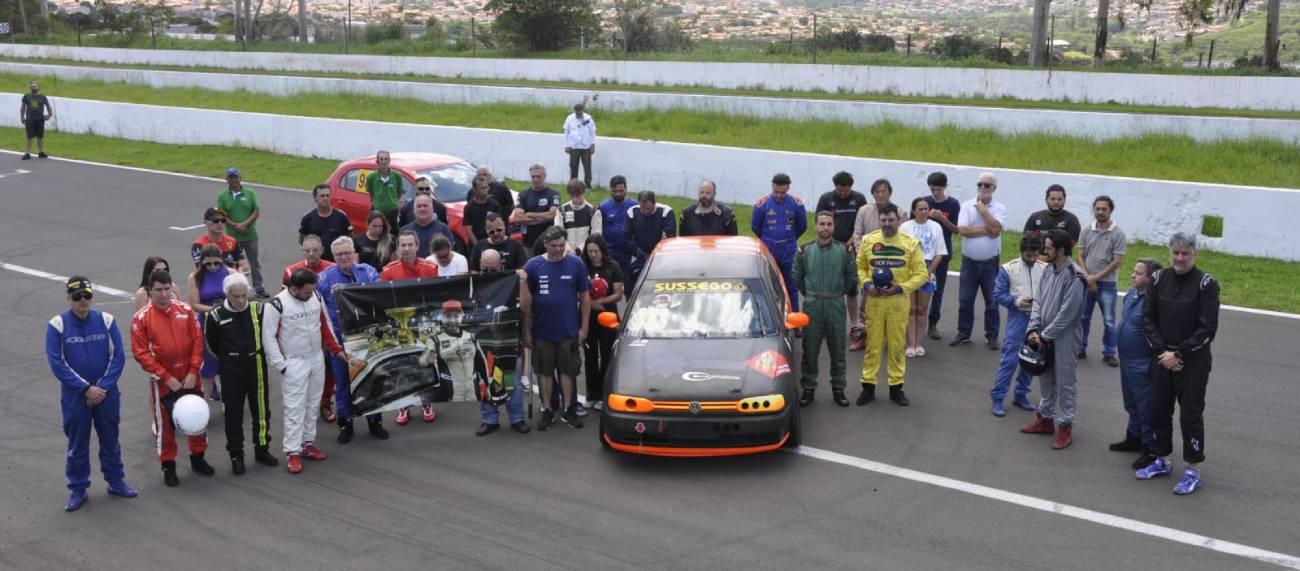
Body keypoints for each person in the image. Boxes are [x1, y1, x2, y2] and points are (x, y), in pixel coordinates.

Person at [1137, 233, 1220, 495]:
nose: (1180, 258)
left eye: (1185, 253)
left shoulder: (1206, 284)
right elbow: (1148, 318)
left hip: (1193, 362)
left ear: (1195, 254)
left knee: (1191, 416)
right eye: (1176, 253)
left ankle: (1192, 470)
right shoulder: (1159, 279)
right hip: (1162, 358)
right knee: (1158, 411)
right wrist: (1164, 353)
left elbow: (1207, 329)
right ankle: (1162, 459)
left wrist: (1179, 354)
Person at [46, 276, 137, 512]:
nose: (82, 301)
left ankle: (115, 481)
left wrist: (101, 388)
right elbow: (57, 363)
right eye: (77, 297)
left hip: (106, 394)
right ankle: (78, 488)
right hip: (76, 397)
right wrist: (86, 389)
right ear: (68, 298)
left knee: (110, 438)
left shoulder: (106, 320)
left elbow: (118, 356)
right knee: (77, 443)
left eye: (86, 296)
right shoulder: (57, 325)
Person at [131, 270, 214, 487]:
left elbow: (198, 342)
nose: (164, 294)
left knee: (197, 417)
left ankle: (198, 458)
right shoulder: (141, 319)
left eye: (167, 289)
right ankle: (168, 465)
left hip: (189, 377)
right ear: (150, 291)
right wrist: (166, 378)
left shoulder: (186, 311)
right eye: (158, 290)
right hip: (164, 382)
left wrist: (193, 371)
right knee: (165, 425)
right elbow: (141, 354)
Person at [263, 269, 348, 475]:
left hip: (316, 358)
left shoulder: (316, 295)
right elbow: (268, 338)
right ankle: (292, 452)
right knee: (294, 408)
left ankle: (307, 444)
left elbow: (325, 325)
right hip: (294, 362)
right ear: (293, 288)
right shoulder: (276, 304)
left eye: (312, 291)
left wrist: (336, 350)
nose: (311, 295)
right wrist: (281, 365)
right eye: (307, 292)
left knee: (312, 405)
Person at [204, 273, 279, 474]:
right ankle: (236, 454)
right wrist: (229, 359)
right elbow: (211, 345)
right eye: (235, 296)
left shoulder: (259, 309)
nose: (240, 300)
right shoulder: (215, 315)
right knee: (233, 414)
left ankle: (262, 448)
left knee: (262, 411)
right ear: (227, 294)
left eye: (243, 295)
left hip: (256, 364)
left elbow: (270, 334)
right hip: (231, 368)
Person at [317, 237, 389, 444]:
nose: (344, 257)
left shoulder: (368, 272)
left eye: (347, 253)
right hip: (339, 341)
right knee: (342, 384)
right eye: (339, 254)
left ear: (354, 252)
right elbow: (318, 309)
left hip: (367, 338)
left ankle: (375, 421)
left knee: (371, 379)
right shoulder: (323, 279)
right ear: (334, 256)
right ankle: (345, 423)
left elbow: (379, 298)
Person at [855, 203, 928, 407]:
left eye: (891, 220)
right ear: (879, 220)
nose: (887, 224)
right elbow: (860, 267)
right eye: (883, 220)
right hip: (875, 302)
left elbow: (922, 274)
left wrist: (900, 288)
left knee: (896, 346)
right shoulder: (869, 241)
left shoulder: (910, 243)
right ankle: (868, 388)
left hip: (897, 302)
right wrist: (867, 284)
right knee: (873, 346)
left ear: (898, 220)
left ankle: (896, 388)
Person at [1021, 230, 1087, 450]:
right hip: (1043, 336)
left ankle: (1065, 426)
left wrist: (1044, 335)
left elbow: (1068, 315)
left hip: (1065, 339)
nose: (1044, 251)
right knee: (1046, 378)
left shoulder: (1075, 276)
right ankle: (1046, 420)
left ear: (1060, 250)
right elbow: (1038, 301)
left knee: (1065, 383)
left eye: (1048, 248)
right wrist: (1033, 328)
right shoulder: (1048, 269)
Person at [523, 227, 592, 431]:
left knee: (568, 371)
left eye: (562, 245)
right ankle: (546, 409)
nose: (558, 250)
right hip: (542, 331)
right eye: (554, 246)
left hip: (568, 330)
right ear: (546, 245)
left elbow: (585, 297)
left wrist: (584, 327)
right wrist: (527, 331)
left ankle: (569, 408)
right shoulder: (533, 266)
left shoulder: (576, 264)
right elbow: (527, 304)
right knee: (544, 372)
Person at [795, 212, 857, 408]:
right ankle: (808, 389)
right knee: (810, 349)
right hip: (812, 304)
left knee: (837, 349)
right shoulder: (805, 251)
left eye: (829, 224)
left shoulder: (844, 250)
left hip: (835, 304)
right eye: (822, 224)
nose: (825, 227)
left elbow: (851, 277)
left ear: (833, 227)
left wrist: (837, 293)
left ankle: (839, 389)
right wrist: (811, 294)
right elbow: (797, 277)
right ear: (815, 226)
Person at [381, 231, 440, 425]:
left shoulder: (431, 268)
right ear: (398, 248)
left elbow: (434, 299)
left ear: (417, 246)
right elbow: (384, 301)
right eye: (402, 245)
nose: (406, 249)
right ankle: (403, 406)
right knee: (403, 366)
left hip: (423, 324)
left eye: (409, 245)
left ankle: (426, 403)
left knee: (425, 363)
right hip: (400, 327)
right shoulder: (388, 271)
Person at [1112, 258, 1163, 470]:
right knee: (1131, 403)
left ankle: (1149, 448)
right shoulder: (1132, 293)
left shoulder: (1157, 301)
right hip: (1126, 360)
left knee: (1145, 407)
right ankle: (1133, 437)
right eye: (1134, 272)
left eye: (1139, 273)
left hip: (1142, 363)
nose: (1133, 275)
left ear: (1151, 278)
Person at [280, 235, 337, 421]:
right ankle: (303, 405)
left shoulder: (331, 268)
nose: (311, 254)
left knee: (328, 368)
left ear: (322, 250)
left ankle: (325, 402)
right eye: (307, 250)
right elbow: (283, 304)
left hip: (326, 326)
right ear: (302, 251)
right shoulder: (291, 271)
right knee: (301, 371)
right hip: (300, 331)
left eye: (315, 250)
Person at [989, 236, 1046, 417]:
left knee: (1032, 359)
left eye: (1034, 255)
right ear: (1022, 251)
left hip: (1038, 318)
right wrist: (1016, 301)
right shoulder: (1009, 268)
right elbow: (998, 294)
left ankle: (1021, 395)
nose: (1031, 258)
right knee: (1010, 358)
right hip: (1018, 316)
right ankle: (998, 397)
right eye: (1028, 255)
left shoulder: (1045, 269)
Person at [475, 256, 531, 435]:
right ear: (480, 267)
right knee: (486, 381)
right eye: (486, 270)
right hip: (485, 345)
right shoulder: (475, 284)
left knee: (511, 382)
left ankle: (517, 418)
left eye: (494, 270)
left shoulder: (512, 282)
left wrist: (522, 282)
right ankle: (489, 419)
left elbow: (525, 306)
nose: (490, 274)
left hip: (509, 344)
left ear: (501, 266)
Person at [952, 172, 1007, 350]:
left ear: (994, 188)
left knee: (992, 301)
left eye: (987, 185)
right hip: (969, 262)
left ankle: (991, 335)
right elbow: (963, 230)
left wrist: (983, 211)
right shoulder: (967, 205)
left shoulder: (999, 208)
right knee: (965, 300)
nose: (983, 188)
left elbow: (997, 230)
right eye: (980, 184)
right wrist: (987, 230)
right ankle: (963, 333)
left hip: (990, 263)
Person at [1076, 195, 1128, 366]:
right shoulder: (1085, 230)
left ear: (1110, 210)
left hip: (1107, 284)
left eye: (1104, 209)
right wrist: (1087, 276)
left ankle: (1109, 352)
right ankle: (1080, 348)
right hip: (1085, 281)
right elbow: (1080, 256)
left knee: (1109, 320)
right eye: (1097, 209)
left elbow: (1117, 262)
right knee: (1082, 317)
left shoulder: (1118, 234)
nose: (1100, 212)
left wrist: (1095, 278)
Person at [848, 178, 894, 350]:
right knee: (866, 302)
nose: (880, 194)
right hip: (868, 262)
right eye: (877, 191)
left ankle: (889, 338)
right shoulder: (864, 211)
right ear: (873, 194)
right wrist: (866, 257)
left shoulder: (899, 212)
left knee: (891, 299)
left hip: (892, 263)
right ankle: (863, 336)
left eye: (884, 191)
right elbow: (857, 236)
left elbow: (902, 238)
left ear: (890, 192)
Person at [900, 197, 948, 357]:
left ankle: (918, 343)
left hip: (928, 269)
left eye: (926, 209)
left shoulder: (936, 227)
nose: (923, 211)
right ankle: (909, 343)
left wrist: (927, 272)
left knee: (921, 309)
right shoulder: (905, 227)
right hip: (909, 270)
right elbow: (901, 252)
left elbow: (940, 253)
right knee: (910, 309)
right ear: (913, 211)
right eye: (920, 209)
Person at [752, 173, 808, 311]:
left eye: (782, 193)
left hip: (788, 249)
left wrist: (790, 239)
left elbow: (802, 226)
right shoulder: (762, 204)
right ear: (772, 187)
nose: (778, 195)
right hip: (769, 249)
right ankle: (770, 319)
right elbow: (755, 227)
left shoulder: (797, 203)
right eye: (776, 192)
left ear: (788, 189)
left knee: (792, 287)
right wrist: (768, 240)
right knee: (769, 285)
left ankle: (794, 321)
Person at [581, 235, 624, 412]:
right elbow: (579, 291)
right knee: (590, 357)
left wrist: (601, 302)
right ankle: (592, 394)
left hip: (609, 317)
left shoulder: (613, 266)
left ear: (602, 250)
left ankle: (605, 395)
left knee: (607, 355)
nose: (593, 255)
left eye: (596, 251)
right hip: (588, 316)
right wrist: (589, 304)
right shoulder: (582, 266)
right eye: (590, 251)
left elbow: (618, 294)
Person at [187, 244, 231, 403]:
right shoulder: (195, 277)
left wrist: (224, 310)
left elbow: (239, 298)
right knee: (208, 365)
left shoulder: (230, 274)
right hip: (207, 324)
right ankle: (203, 404)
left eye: (216, 263)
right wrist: (215, 310)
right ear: (202, 263)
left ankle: (229, 401)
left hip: (227, 323)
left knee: (228, 363)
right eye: (208, 263)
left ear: (222, 261)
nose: (212, 267)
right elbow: (195, 305)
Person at [216, 167, 267, 298]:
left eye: (235, 177)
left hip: (250, 235)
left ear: (240, 178)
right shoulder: (222, 196)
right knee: (231, 264)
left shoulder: (250, 193)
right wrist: (236, 225)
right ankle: (231, 289)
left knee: (254, 262)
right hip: (231, 237)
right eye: (230, 178)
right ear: (226, 180)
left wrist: (244, 224)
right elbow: (221, 215)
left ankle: (259, 288)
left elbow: (256, 211)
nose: (233, 180)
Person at [923, 171, 961, 341]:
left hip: (942, 252)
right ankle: (915, 320)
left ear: (944, 187)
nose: (935, 192)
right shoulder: (924, 202)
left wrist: (942, 219)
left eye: (938, 189)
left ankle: (933, 323)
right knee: (918, 288)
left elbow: (956, 230)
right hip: (924, 253)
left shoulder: (953, 204)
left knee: (938, 289)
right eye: (933, 189)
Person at [625, 190, 678, 287]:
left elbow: (668, 238)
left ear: (654, 203)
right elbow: (626, 238)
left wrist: (654, 255)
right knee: (632, 285)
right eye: (642, 209)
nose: (645, 212)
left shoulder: (666, 213)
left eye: (648, 209)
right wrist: (641, 254)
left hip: (660, 258)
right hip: (638, 256)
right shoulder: (632, 213)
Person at [598, 175, 636, 289]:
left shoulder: (635, 206)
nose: (618, 194)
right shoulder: (603, 207)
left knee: (629, 286)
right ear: (610, 189)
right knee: (608, 285)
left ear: (626, 189)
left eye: (621, 190)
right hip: (610, 253)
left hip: (628, 253)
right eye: (614, 191)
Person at [299, 184, 353, 262]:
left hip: (335, 262)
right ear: (315, 198)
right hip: (315, 262)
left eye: (327, 196)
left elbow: (349, 238)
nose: (325, 198)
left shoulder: (341, 217)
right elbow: (302, 239)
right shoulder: (308, 218)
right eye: (322, 196)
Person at [513, 163, 561, 250]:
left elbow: (552, 215)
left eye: (538, 177)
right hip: (528, 243)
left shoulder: (553, 194)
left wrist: (530, 214)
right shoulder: (523, 194)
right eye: (533, 177)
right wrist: (543, 218)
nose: (535, 179)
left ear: (545, 176)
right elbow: (517, 218)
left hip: (548, 243)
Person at [815, 171, 868, 248]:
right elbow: (818, 222)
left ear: (851, 187)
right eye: (839, 190)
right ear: (835, 186)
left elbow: (863, 223)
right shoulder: (825, 198)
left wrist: (851, 241)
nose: (842, 193)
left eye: (846, 191)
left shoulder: (859, 199)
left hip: (854, 243)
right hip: (830, 244)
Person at [191, 207, 250, 275]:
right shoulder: (199, 245)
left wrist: (241, 270)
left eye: (223, 220)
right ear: (205, 222)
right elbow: (201, 270)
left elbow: (244, 265)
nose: (220, 223)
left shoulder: (232, 242)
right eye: (215, 220)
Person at [554, 179, 602, 254]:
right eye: (572, 195)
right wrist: (568, 249)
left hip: (586, 253)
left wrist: (578, 250)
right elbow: (558, 233)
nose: (574, 199)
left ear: (584, 193)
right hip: (565, 252)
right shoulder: (561, 210)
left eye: (578, 195)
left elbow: (596, 235)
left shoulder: (593, 211)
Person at [401, 194, 456, 259]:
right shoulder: (405, 230)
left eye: (425, 206)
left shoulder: (443, 229)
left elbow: (450, 254)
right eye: (419, 206)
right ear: (414, 210)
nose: (422, 209)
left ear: (432, 209)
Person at [366, 150, 403, 235]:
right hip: (378, 210)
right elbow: (371, 193)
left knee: (394, 234)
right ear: (377, 161)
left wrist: (392, 201)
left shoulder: (397, 176)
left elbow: (399, 192)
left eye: (386, 159)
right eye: (381, 159)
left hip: (392, 211)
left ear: (389, 160)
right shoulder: (371, 177)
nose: (384, 161)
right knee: (377, 233)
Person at [563, 103, 597, 188]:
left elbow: (592, 133)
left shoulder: (588, 118)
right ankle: (573, 184)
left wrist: (593, 145)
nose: (578, 114)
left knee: (587, 165)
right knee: (573, 165)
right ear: (575, 111)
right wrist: (566, 145)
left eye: (580, 113)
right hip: (574, 146)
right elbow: (566, 133)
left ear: (583, 110)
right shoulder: (570, 118)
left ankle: (588, 184)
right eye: (577, 113)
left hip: (586, 146)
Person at [464, 175, 504, 247]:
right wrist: (478, 247)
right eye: (482, 188)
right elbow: (469, 231)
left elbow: (500, 223)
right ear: (475, 190)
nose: (485, 191)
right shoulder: (469, 207)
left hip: (494, 242)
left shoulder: (494, 204)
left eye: (486, 187)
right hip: (478, 243)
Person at [20, 81, 53, 160]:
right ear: (30, 88)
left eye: (35, 86)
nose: (33, 87)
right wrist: (22, 117)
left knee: (40, 136)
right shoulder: (26, 96)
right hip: (30, 119)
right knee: (29, 137)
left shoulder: (43, 97)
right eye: (32, 86)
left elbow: (48, 106)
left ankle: (41, 152)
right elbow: (23, 107)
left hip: (40, 119)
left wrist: (49, 114)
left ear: (38, 87)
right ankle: (27, 153)